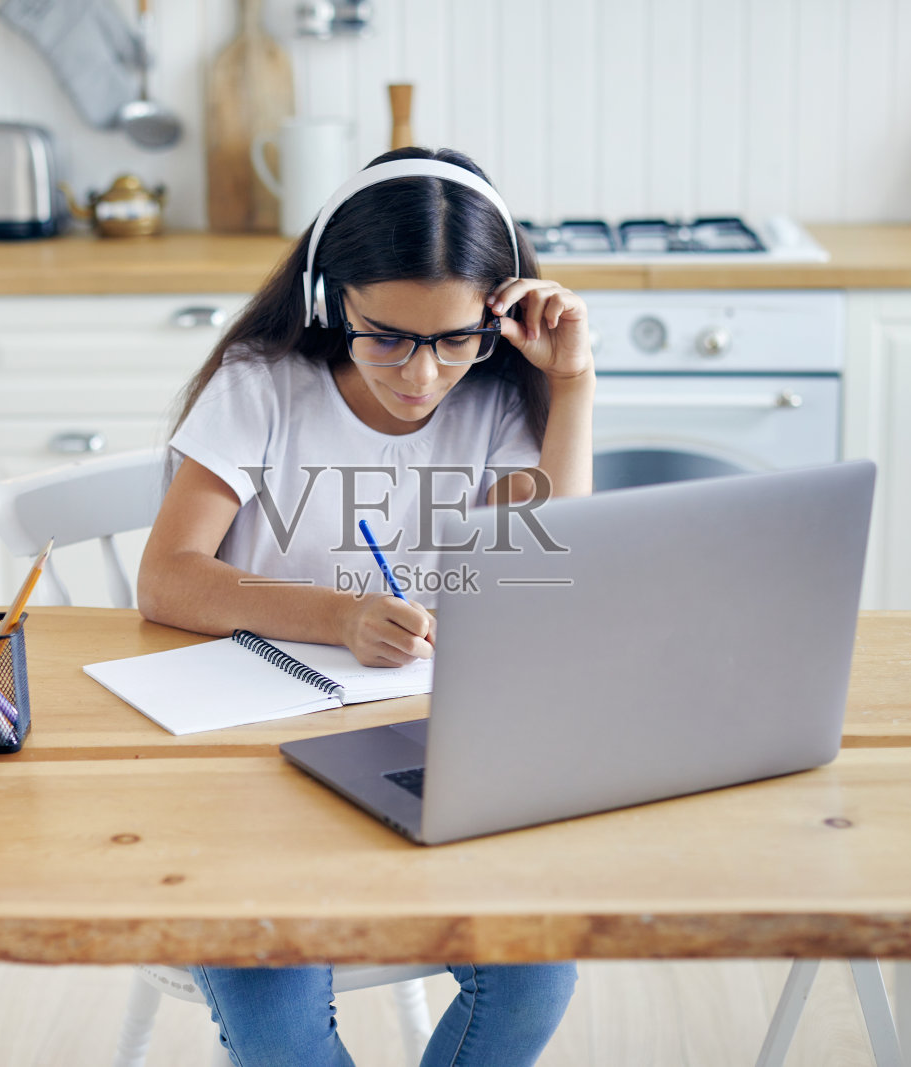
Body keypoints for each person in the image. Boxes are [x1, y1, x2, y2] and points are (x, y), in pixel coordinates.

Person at [136, 146, 592, 1067]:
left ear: (497, 319)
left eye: (454, 339)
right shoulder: (261, 389)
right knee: (279, 1031)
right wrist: (338, 614)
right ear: (327, 296)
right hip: (248, 778)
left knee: (538, 977)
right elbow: (168, 577)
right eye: (386, 334)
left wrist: (570, 385)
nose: (421, 375)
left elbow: (538, 582)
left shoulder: (501, 406)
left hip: (430, 764)